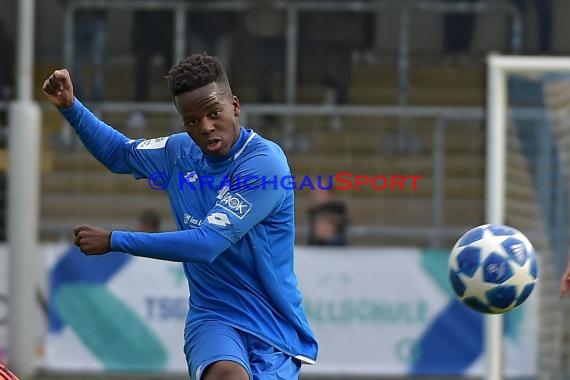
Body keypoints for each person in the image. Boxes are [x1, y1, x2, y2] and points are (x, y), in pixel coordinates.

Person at [42, 53, 318, 379]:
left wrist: (115, 240)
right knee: (227, 374)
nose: (205, 127)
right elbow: (120, 154)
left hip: (272, 325)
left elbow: (207, 244)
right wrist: (72, 108)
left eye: (214, 113)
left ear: (235, 106)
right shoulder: (178, 151)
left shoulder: (263, 164)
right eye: (192, 121)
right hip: (212, 317)